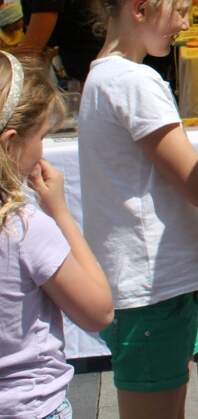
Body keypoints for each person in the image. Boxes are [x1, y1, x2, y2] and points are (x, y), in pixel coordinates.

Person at [61, 0, 198, 418]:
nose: (186, 24)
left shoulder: (104, 76)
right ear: (141, 5)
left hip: (144, 287)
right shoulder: (134, 81)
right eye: (180, 10)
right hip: (152, 289)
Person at [0, 52, 114, 419]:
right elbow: (98, 312)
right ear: (11, 142)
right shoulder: (24, 228)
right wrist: (60, 213)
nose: (42, 149)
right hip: (31, 406)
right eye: (42, 137)